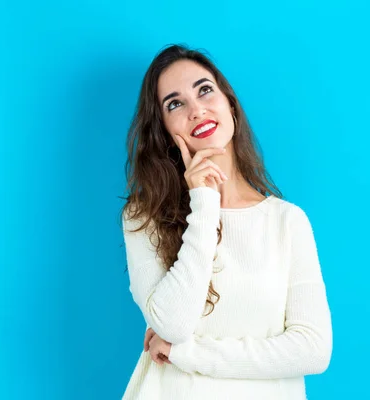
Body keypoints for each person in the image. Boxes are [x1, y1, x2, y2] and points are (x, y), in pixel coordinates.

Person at [119, 44, 333, 400]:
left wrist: (186, 353)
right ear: (163, 130)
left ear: (230, 104)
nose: (196, 109)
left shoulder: (287, 222)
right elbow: (174, 323)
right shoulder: (144, 217)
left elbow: (312, 349)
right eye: (175, 104)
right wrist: (204, 202)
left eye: (204, 90)